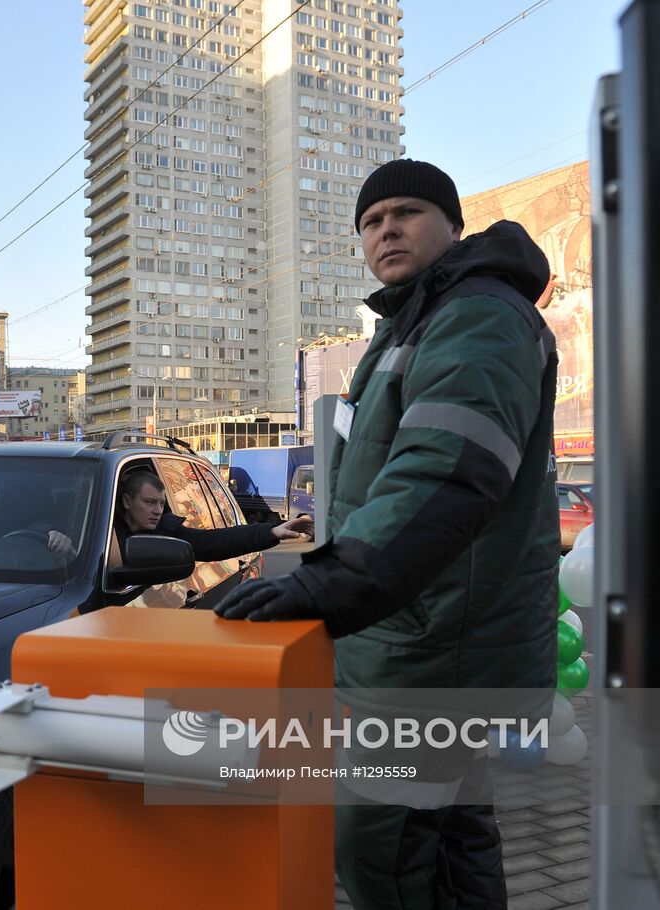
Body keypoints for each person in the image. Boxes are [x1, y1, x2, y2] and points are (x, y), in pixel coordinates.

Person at [214, 159, 560, 909]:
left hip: (429, 654)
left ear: (454, 226)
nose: (386, 230)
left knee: (380, 849)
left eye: (406, 212)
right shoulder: (419, 320)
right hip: (429, 640)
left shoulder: (475, 316)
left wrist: (321, 586)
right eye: (371, 222)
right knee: (450, 839)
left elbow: (443, 476)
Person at [114, 470, 313, 563]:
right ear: (126, 502)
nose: (158, 510)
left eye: (162, 504)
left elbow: (214, 541)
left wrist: (270, 531)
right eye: (149, 502)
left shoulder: (169, 532)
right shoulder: (101, 533)